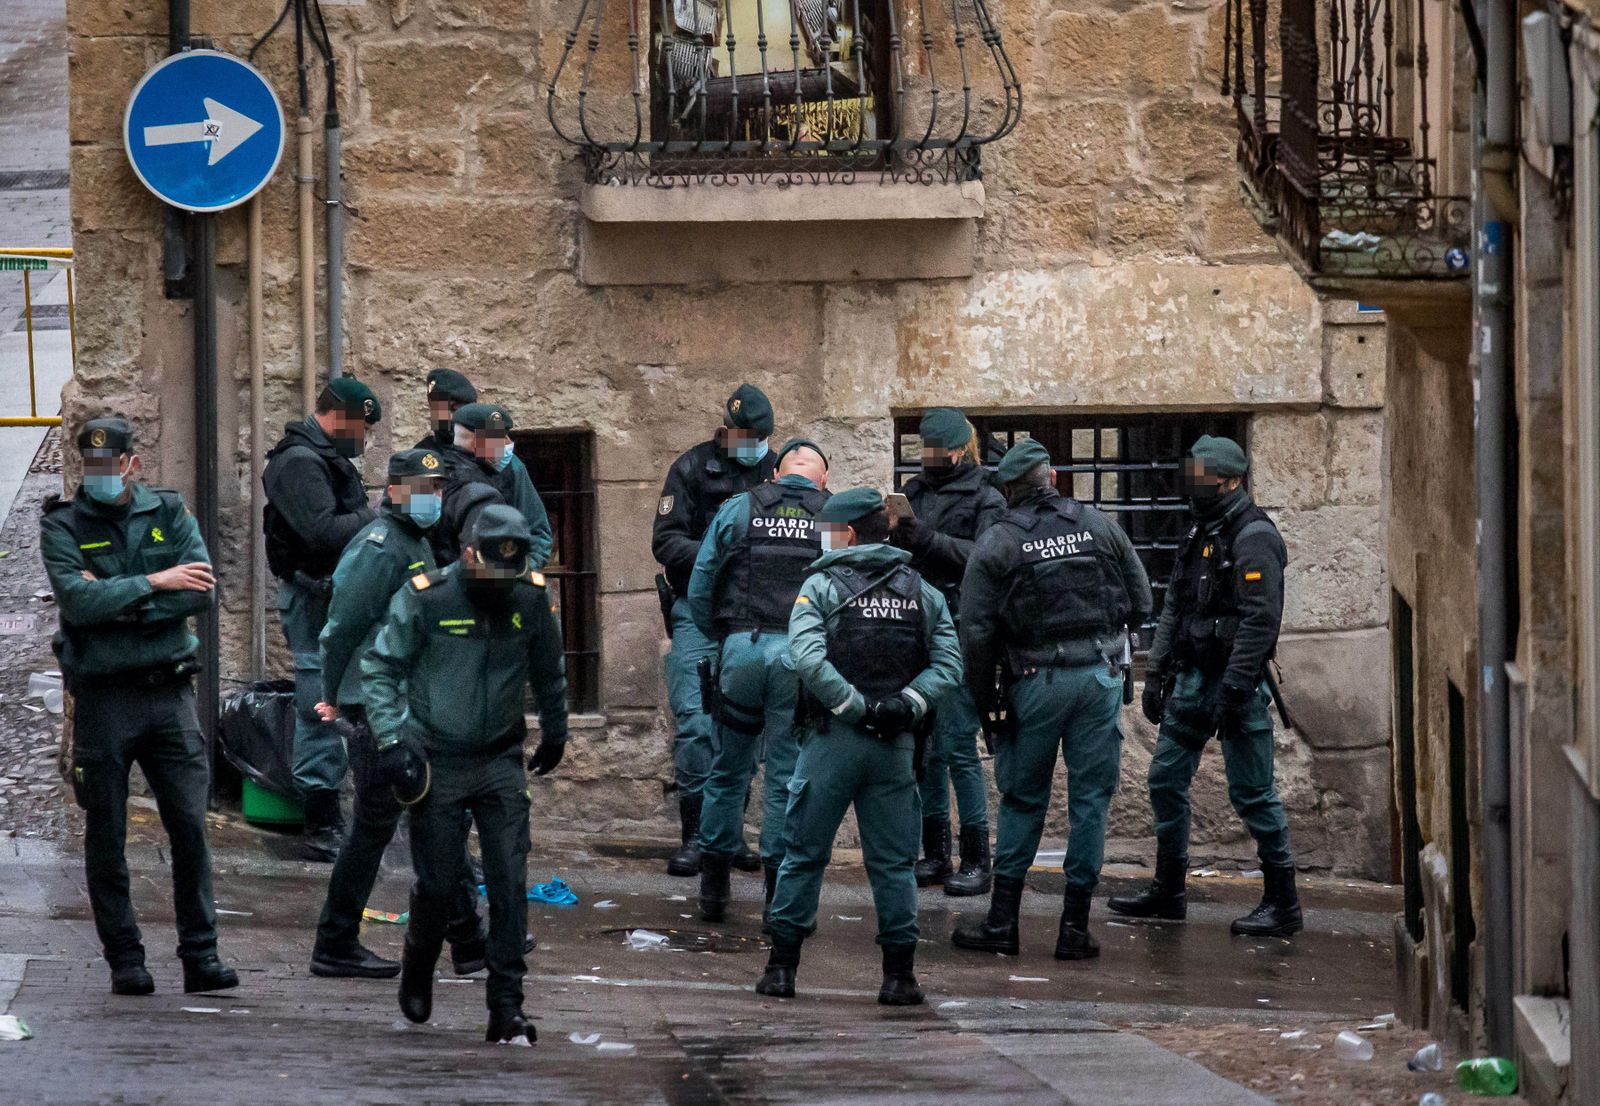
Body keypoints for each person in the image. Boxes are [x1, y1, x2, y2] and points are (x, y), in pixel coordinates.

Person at [41, 417, 237, 995]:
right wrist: (157, 583)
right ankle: (126, 958)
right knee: (106, 834)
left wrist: (118, 600)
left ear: (132, 463)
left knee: (189, 830)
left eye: (110, 463)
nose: (99, 474)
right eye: (89, 465)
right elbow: (77, 604)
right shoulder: (62, 524)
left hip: (168, 695)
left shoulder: (169, 512)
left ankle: (201, 957)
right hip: (104, 700)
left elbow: (200, 591)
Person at [363, 506, 569, 1044]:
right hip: (438, 758)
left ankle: (506, 1006)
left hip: (500, 758)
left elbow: (550, 670)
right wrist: (391, 739)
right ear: (468, 554)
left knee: (509, 882)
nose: (501, 584)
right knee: (437, 883)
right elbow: (382, 667)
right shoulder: (429, 597)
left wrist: (557, 731)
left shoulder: (529, 596)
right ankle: (418, 963)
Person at [757, 489, 961, 1004]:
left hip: (833, 740)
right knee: (893, 864)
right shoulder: (923, 592)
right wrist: (907, 704)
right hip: (894, 744)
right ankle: (899, 978)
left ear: (846, 534)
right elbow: (949, 666)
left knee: (802, 854)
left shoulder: (820, 587)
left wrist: (851, 706)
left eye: (825, 530)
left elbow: (804, 656)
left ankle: (781, 971)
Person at [951, 439, 1151, 961]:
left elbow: (974, 631)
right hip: (1099, 678)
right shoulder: (1101, 525)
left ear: (1009, 490)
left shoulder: (997, 541)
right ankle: (1074, 930)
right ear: (1053, 477)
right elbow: (1142, 599)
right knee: (1091, 803)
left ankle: (1003, 924)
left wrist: (985, 703)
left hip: (1035, 680)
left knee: (1022, 799)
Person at [307, 449, 493, 980]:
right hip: (377, 706)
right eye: (420, 488)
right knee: (386, 823)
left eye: (436, 488)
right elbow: (340, 625)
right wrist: (335, 695)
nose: (430, 497)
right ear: (392, 491)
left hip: (406, 703)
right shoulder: (381, 547)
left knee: (430, 814)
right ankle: (339, 942)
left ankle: (467, 939)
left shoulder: (413, 543)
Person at [1108, 435, 1301, 937]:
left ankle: (1283, 902)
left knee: (1253, 793)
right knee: (1164, 780)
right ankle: (1169, 891)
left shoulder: (1254, 536)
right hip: (1192, 681)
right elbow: (1176, 606)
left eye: (1205, 481)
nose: (1195, 490)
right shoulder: (1200, 530)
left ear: (1232, 481)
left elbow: (1260, 621)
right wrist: (1158, 674)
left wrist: (1236, 687)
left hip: (1236, 682)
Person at [687, 437, 830, 924]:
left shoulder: (739, 509)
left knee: (728, 768)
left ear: (774, 476)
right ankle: (776, 894)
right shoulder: (832, 515)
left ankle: (713, 887)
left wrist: (721, 639)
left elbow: (702, 580)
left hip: (742, 650)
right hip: (800, 657)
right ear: (823, 480)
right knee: (786, 776)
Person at [651, 384, 777, 877]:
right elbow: (665, 542)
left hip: (751, 619)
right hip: (698, 613)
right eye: (746, 435)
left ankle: (727, 834)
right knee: (698, 723)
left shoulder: (776, 471)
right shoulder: (691, 468)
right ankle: (697, 838)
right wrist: (720, 551)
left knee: (743, 726)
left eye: (761, 437)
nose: (753, 444)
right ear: (728, 430)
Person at [262, 377, 381, 861]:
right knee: (320, 706)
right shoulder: (298, 461)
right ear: (336, 415)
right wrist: (380, 515)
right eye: (362, 426)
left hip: (336, 599)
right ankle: (321, 822)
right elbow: (323, 533)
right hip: (314, 601)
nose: (365, 438)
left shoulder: (321, 457)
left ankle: (345, 816)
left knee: (348, 703)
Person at [891, 407, 1006, 896]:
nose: (931, 460)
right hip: (915, 624)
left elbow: (985, 560)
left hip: (960, 628)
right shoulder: (915, 493)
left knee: (957, 744)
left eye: (940, 451)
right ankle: (934, 851)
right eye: (926, 451)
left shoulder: (987, 496)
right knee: (923, 749)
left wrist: (929, 540)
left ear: (962, 449)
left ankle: (977, 855)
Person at [433, 402, 553, 570]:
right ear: (477, 442)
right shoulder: (478, 492)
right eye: (499, 438)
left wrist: (526, 570)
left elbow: (538, 533)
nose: (508, 443)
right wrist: (516, 581)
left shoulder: (510, 469)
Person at [417, 368, 477, 454]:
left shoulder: (486, 455)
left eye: (455, 409)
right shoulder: (422, 453)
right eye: (440, 410)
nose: (449, 417)